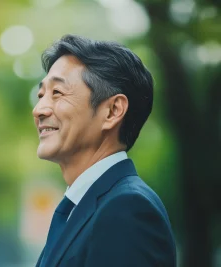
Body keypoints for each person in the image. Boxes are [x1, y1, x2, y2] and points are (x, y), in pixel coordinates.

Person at [33, 35, 176, 267]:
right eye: (41, 95)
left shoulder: (127, 211)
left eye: (57, 93)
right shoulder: (83, 208)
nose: (38, 109)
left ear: (112, 111)